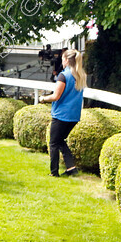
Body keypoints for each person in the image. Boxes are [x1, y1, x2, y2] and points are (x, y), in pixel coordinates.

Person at [39, 48, 87, 177]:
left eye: (62, 59)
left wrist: (43, 98)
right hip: (74, 116)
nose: (62, 61)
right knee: (60, 140)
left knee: (54, 143)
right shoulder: (80, 75)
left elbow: (56, 96)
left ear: (66, 60)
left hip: (61, 115)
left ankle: (54, 173)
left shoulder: (63, 76)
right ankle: (72, 168)